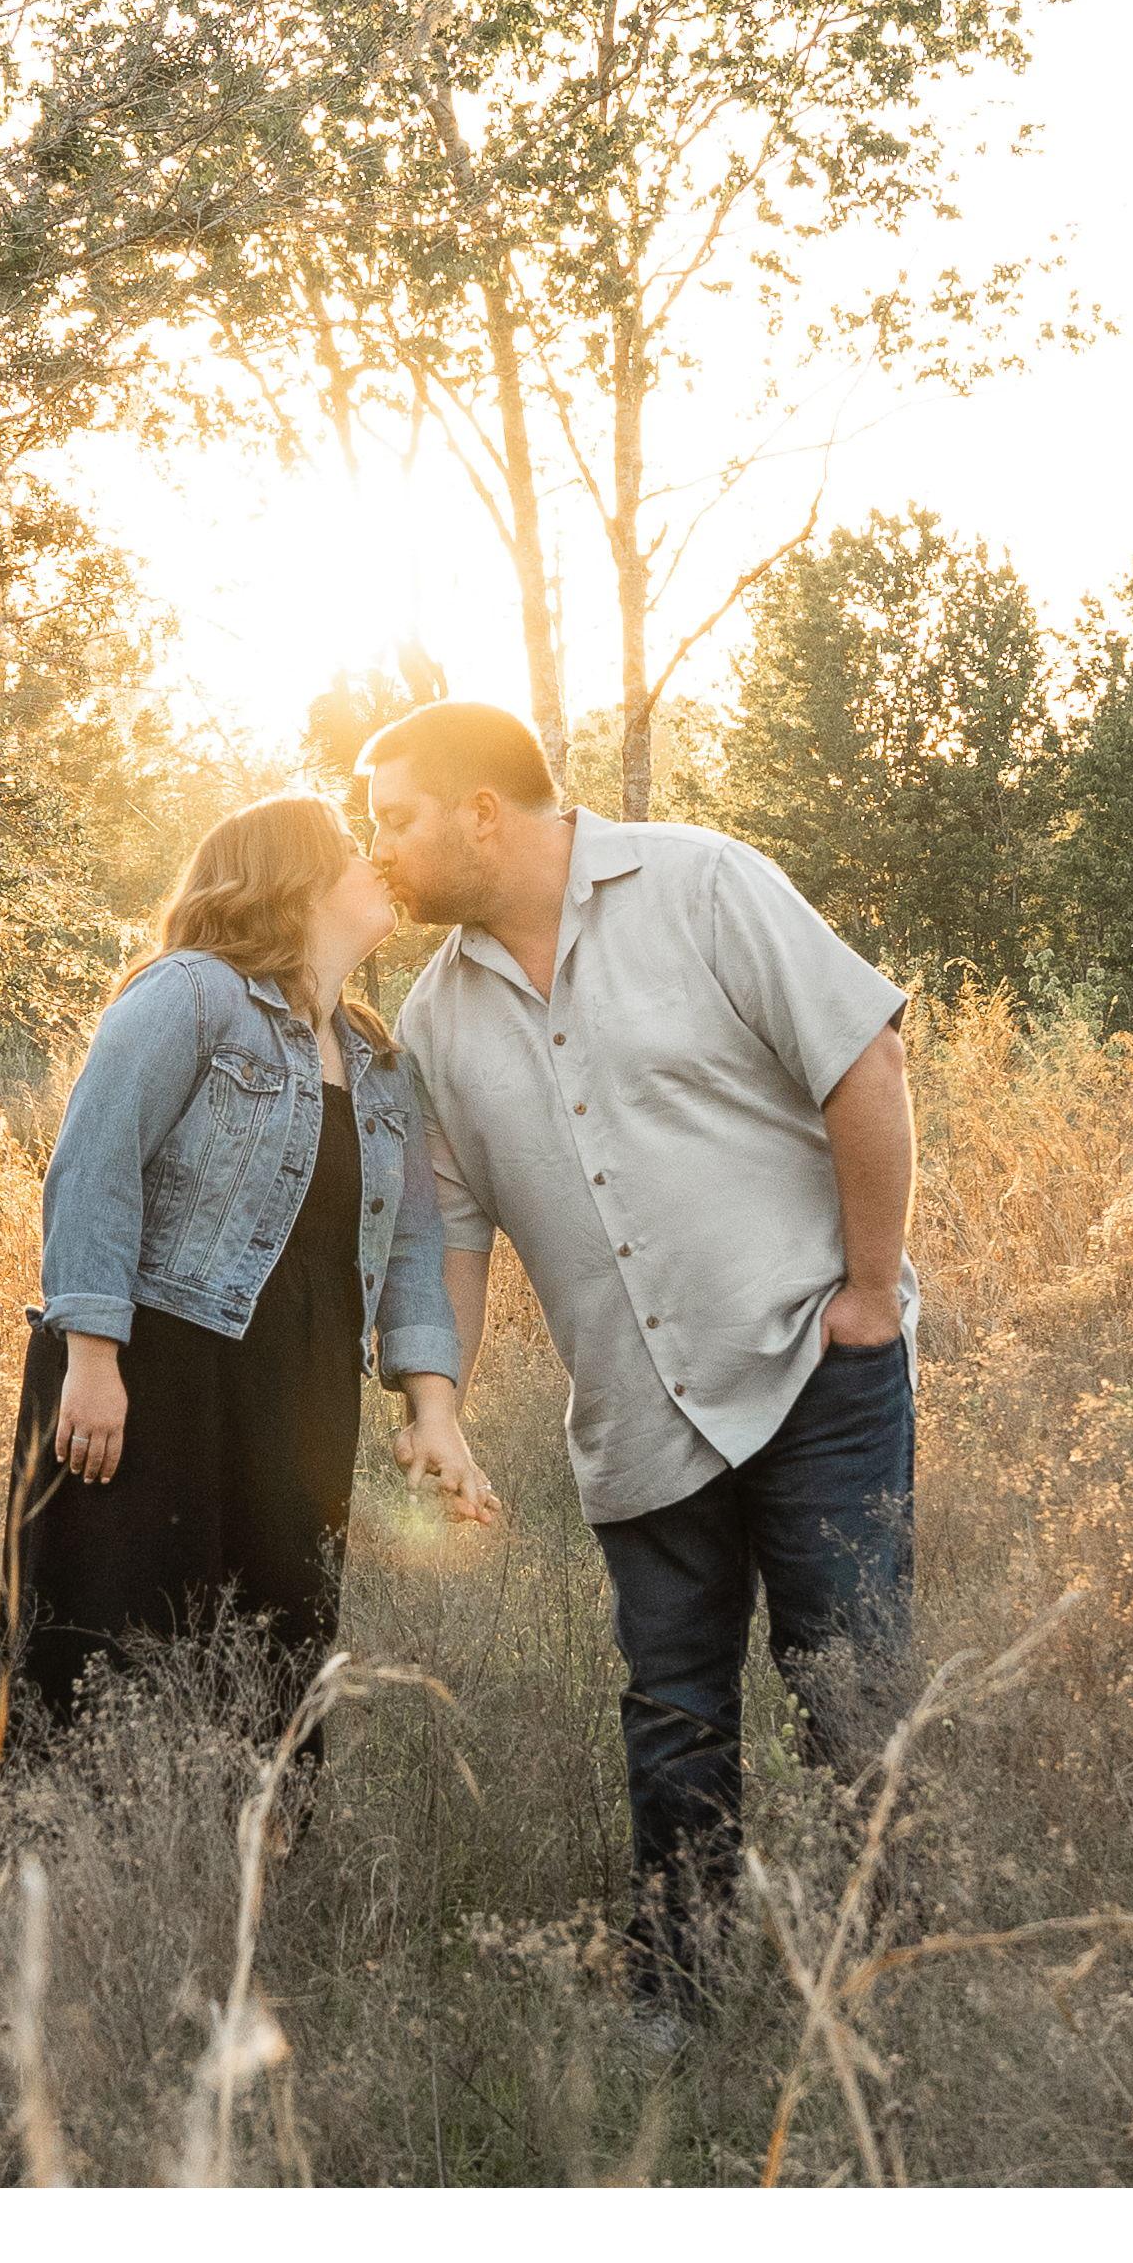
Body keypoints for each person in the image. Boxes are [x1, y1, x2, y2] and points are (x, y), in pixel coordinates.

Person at [360, 698, 915, 2010]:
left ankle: (900, 1990)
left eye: (394, 819)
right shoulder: (434, 1019)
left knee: (852, 1699)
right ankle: (680, 1999)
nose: (375, 848)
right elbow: (452, 1237)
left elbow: (865, 1059)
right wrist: (438, 1401)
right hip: (636, 1420)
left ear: (481, 813)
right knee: (673, 1718)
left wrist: (870, 1295)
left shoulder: (702, 884)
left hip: (811, 1369)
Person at [0, 789, 499, 1758]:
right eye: (350, 846)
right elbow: (95, 1166)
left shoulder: (382, 1062)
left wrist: (435, 1410)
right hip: (156, 1373)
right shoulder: (193, 993)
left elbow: (411, 1248)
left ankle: (257, 1849)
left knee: (275, 1656)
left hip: (304, 1394)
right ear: (292, 879)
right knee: (113, 1651)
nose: (375, 859)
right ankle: (82, 1852)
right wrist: (91, 1360)